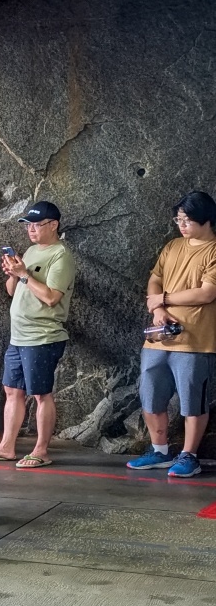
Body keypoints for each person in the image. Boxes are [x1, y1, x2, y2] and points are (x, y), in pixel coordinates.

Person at [126, 191, 216, 478]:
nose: (182, 225)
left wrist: (164, 299)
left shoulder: (213, 250)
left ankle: (189, 456)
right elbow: (154, 279)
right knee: (150, 396)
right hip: (157, 336)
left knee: (193, 402)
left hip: (195, 342)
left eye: (187, 220)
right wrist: (158, 309)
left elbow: (207, 292)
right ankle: (160, 450)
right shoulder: (172, 246)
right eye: (179, 219)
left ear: (207, 220)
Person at [0, 201, 75, 469]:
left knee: (41, 394)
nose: (32, 230)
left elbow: (51, 297)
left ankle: (41, 449)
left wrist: (23, 274)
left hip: (43, 336)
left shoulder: (61, 256)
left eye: (37, 225)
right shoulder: (32, 250)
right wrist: (13, 274)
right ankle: (7, 446)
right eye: (29, 225)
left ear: (53, 225)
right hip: (18, 336)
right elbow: (12, 291)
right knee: (12, 390)